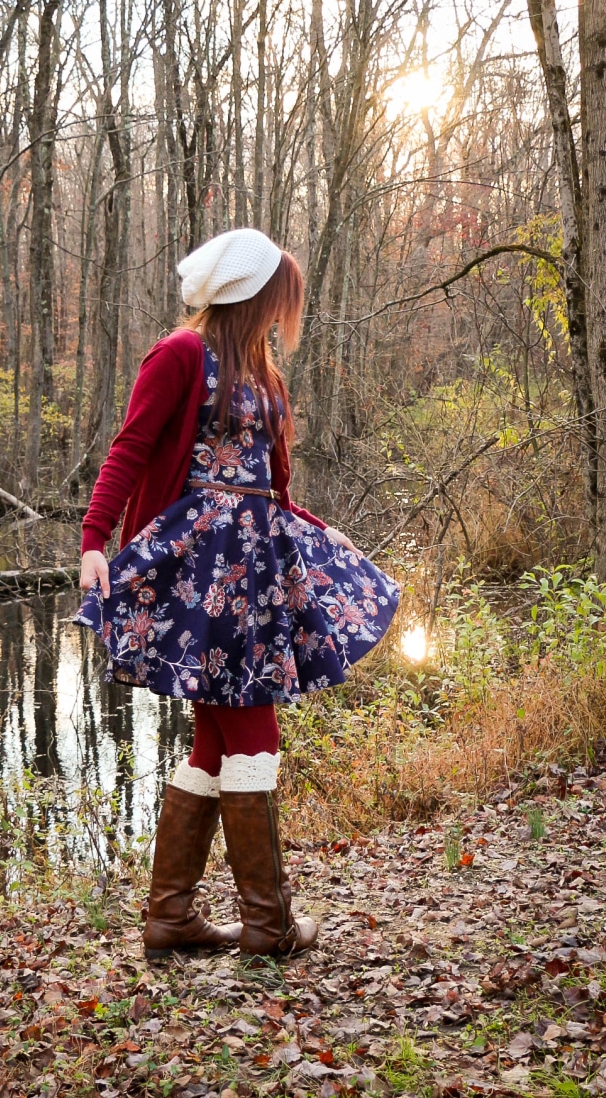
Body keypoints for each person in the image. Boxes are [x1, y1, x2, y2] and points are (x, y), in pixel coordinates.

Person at [76, 228, 400, 959]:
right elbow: (129, 446)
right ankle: (268, 924)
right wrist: (96, 540)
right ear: (249, 294)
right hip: (199, 573)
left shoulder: (267, 377)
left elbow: (271, 487)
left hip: (256, 574)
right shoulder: (181, 355)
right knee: (254, 730)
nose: (286, 315)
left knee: (218, 735)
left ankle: (172, 917)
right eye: (280, 299)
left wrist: (327, 532)